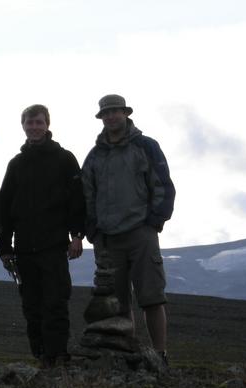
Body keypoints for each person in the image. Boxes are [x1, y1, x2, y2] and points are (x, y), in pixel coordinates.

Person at [82, 94, 176, 365]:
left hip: (141, 233)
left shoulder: (146, 147)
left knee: (152, 297)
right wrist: (94, 230)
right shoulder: (95, 156)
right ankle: (127, 354)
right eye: (106, 113)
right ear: (101, 118)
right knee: (117, 302)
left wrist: (155, 221)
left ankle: (160, 355)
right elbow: (87, 194)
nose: (111, 117)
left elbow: (163, 185)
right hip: (108, 238)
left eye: (115, 112)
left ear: (125, 114)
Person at [0, 104, 85, 368]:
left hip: (54, 245)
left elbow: (77, 202)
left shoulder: (65, 159)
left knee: (56, 303)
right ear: (23, 126)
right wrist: (4, 247)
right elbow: (5, 208)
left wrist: (78, 235)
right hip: (23, 247)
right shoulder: (16, 164)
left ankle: (58, 353)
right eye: (29, 123)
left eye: (39, 122)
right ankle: (41, 355)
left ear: (47, 125)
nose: (34, 127)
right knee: (32, 306)